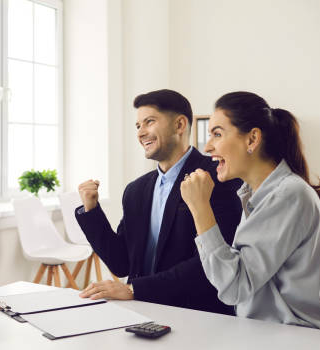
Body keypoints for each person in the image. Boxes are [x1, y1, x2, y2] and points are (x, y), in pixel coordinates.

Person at [180, 91, 320, 329]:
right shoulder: (255, 194)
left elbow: (235, 287)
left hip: (294, 341)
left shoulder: (288, 194)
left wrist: (201, 208)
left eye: (217, 134)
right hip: (261, 334)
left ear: (252, 139)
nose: (208, 147)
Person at [76, 89, 242, 315]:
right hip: (141, 311)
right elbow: (122, 263)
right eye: (137, 126)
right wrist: (91, 211)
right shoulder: (135, 190)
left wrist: (135, 289)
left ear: (180, 125)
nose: (141, 132)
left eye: (149, 122)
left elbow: (211, 264)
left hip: (198, 315)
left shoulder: (217, 178)